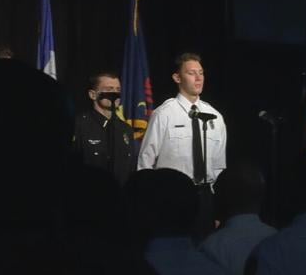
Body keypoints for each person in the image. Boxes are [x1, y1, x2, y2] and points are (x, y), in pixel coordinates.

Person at [138, 53, 226, 186]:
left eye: (201, 73)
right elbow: (146, 160)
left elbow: (219, 165)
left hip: (207, 195)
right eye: (191, 73)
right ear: (177, 78)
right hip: (172, 193)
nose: (198, 78)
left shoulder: (215, 116)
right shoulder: (164, 114)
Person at [72, 71, 135, 185]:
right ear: (93, 95)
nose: (115, 94)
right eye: (109, 90)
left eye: (118, 90)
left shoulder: (126, 129)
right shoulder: (79, 125)